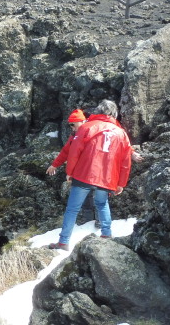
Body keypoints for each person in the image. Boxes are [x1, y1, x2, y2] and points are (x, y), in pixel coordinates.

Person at [48, 99, 132, 250]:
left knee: (72, 209)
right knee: (102, 203)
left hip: (84, 174)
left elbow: (74, 152)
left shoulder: (86, 127)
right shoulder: (121, 133)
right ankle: (107, 234)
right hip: (107, 178)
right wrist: (121, 183)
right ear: (114, 114)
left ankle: (63, 242)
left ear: (98, 110)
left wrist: (70, 172)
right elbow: (125, 162)